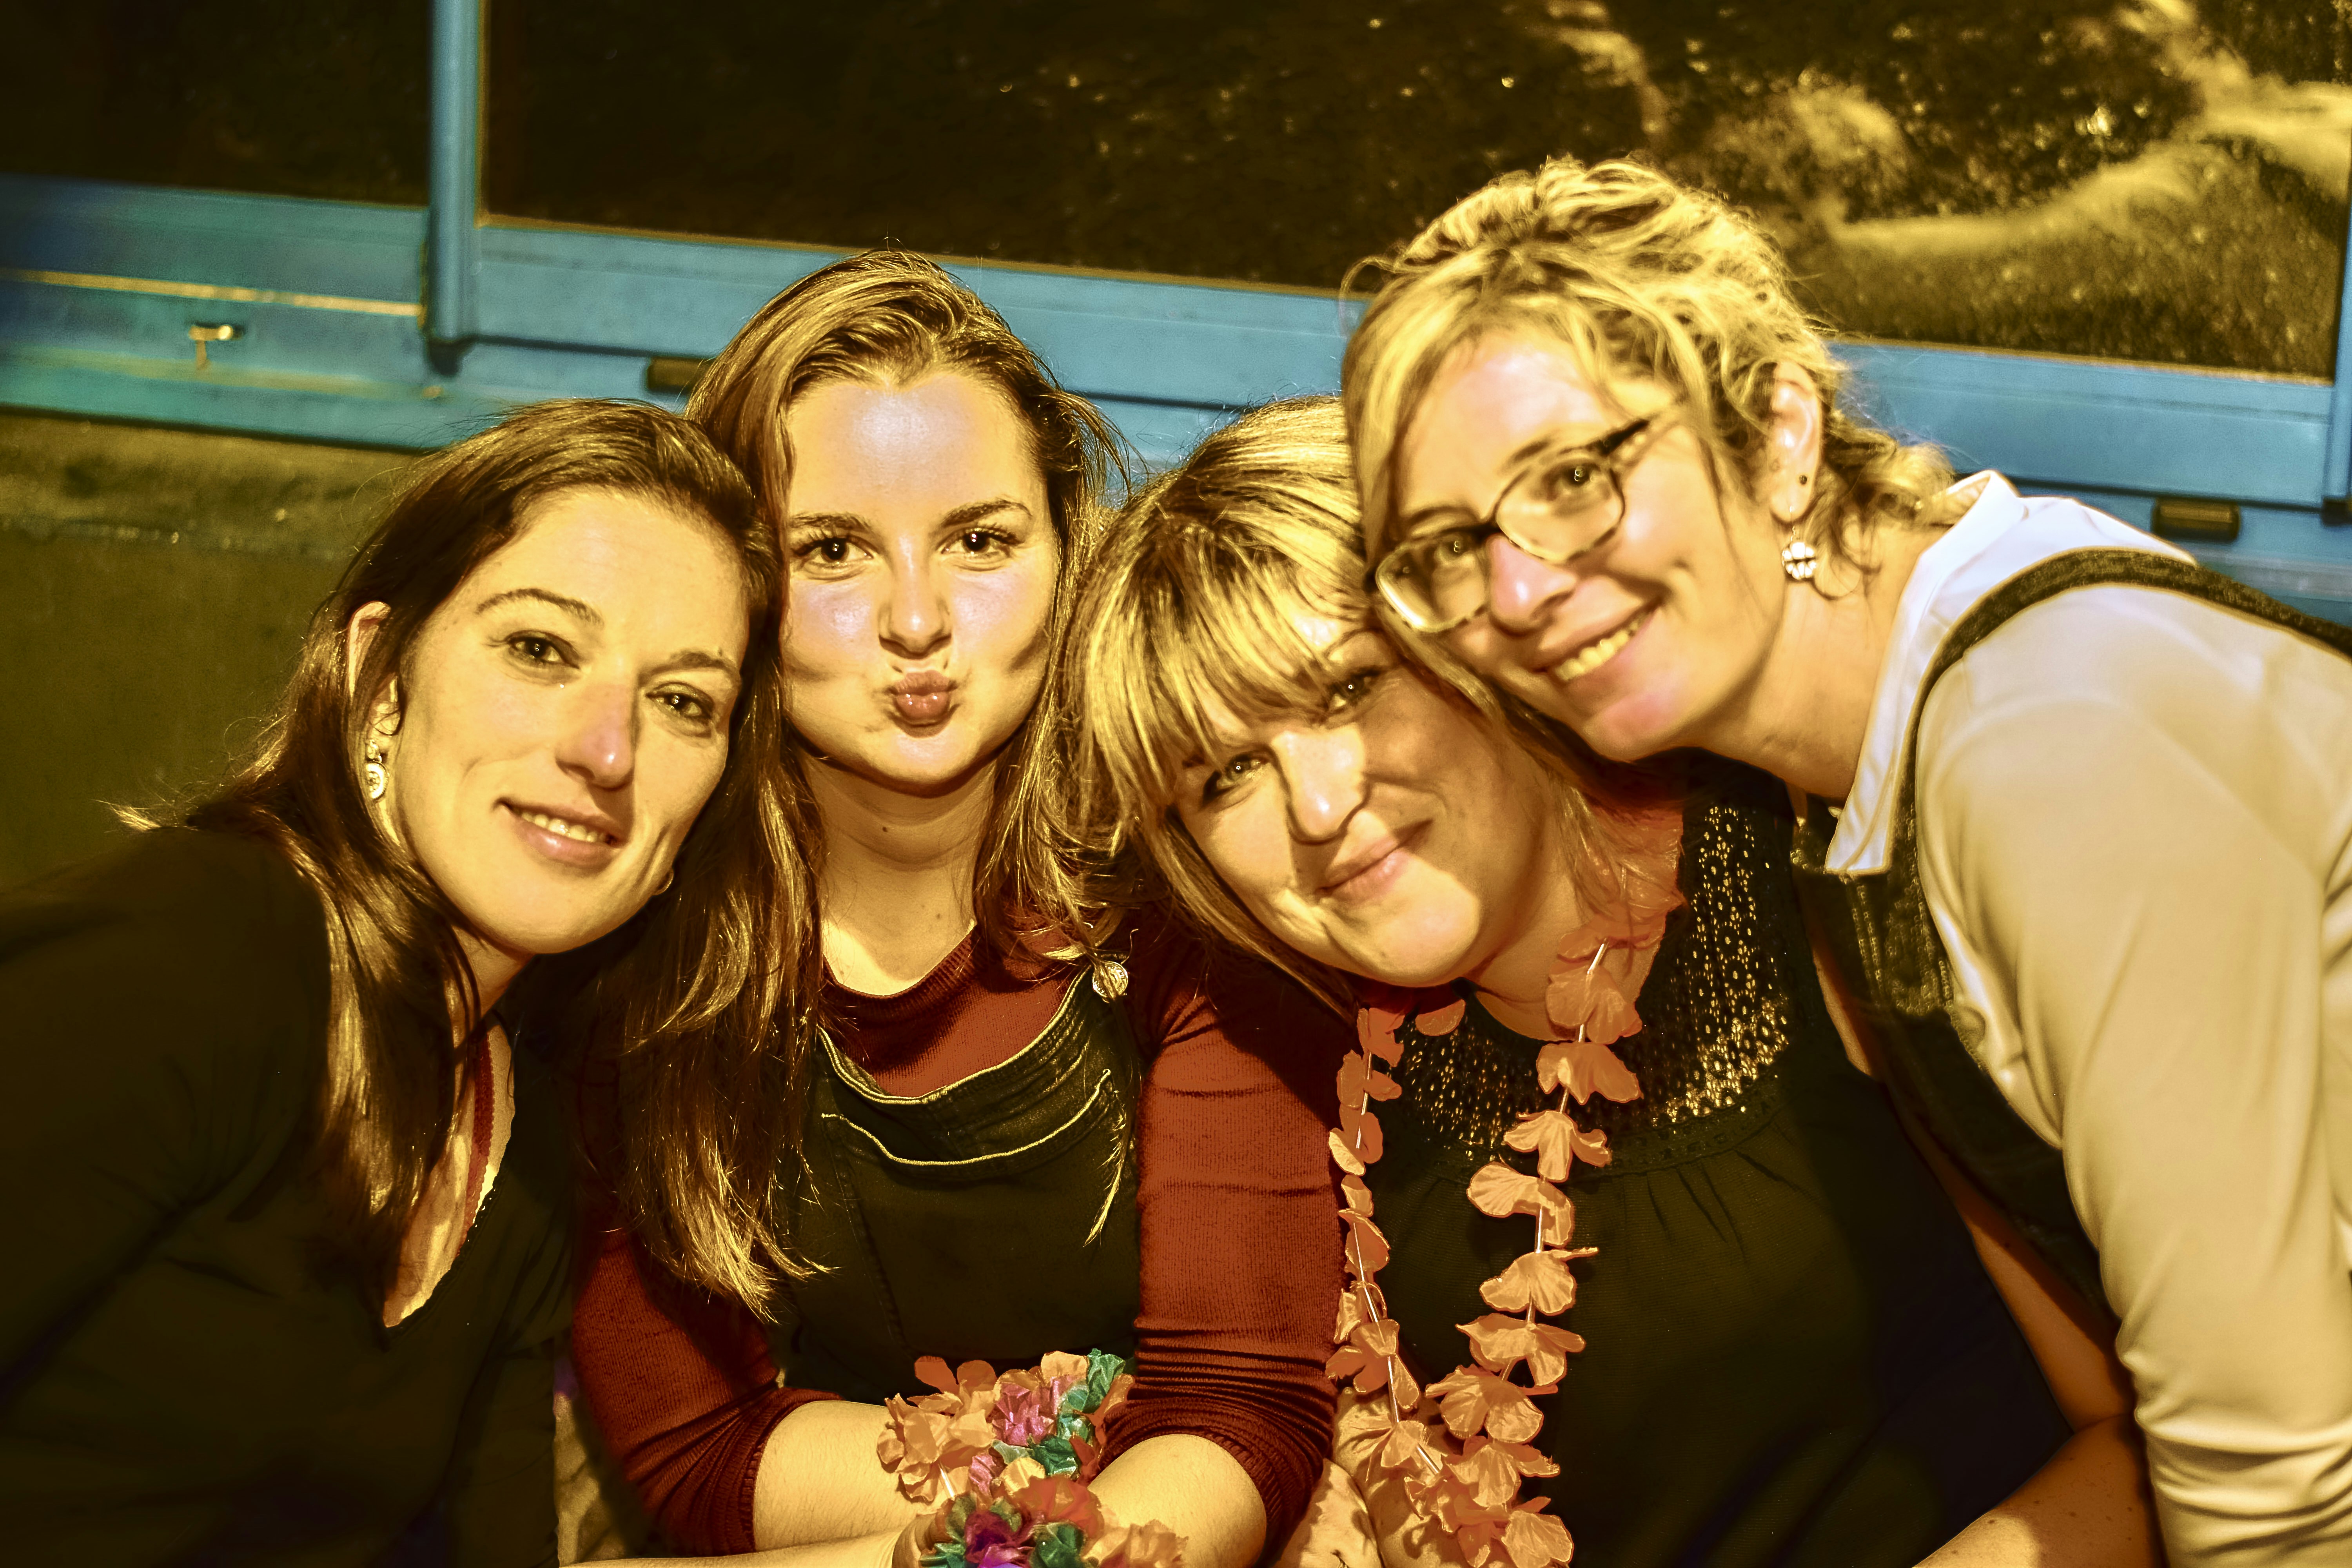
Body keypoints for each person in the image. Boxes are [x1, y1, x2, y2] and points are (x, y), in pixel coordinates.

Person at [1339, 154, 2352, 1566]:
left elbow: (2286, 1482)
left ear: (1779, 436)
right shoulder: (1861, 757)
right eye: (1450, 548)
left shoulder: (2048, 727)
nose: (1518, 593)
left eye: (1575, 479)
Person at [1065, 396, 2167, 1568]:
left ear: (1485, 640)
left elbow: (2153, 1437)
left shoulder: (1811, 888)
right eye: (1226, 774)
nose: (1321, 806)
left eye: (1350, 688)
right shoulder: (1299, 1030)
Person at [567, 253, 1346, 1568]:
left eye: (981, 541)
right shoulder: (632, 934)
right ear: (732, 583)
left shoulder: (1192, 891)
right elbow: (700, 1453)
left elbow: (1239, 1406)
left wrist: (1063, 1544)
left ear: (1065, 549)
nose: (917, 620)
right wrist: (1028, 1534)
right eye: (831, 552)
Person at [0, 399, 785, 1566]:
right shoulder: (197, 950)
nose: (607, 749)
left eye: (682, 702)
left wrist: (952, 1542)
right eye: (539, 649)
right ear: (381, 674)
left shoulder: (519, 1131)